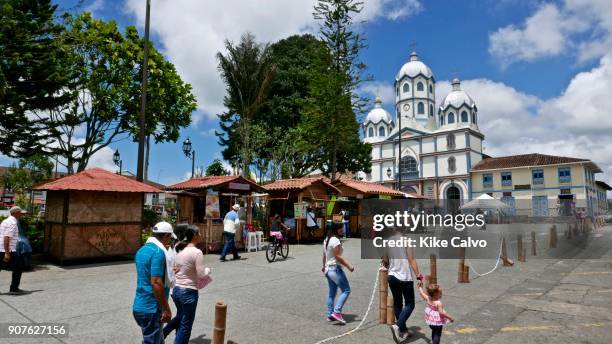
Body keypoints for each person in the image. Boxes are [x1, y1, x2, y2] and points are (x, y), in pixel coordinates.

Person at [163, 225, 210, 344]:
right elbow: (201, 274)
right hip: (188, 292)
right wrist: (208, 270)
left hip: (176, 290)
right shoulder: (197, 252)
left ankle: (162, 334)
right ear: (194, 236)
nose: (200, 235)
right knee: (186, 325)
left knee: (181, 316)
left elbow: (175, 269)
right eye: (199, 233)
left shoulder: (179, 250)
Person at [133, 221, 175, 344]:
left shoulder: (142, 250)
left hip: (140, 305)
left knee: (158, 340)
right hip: (151, 308)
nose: (170, 240)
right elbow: (156, 282)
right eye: (170, 237)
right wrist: (166, 309)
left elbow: (147, 275)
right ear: (166, 235)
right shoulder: (158, 252)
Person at [382, 227, 423, 341]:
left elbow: (385, 260)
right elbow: (412, 260)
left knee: (398, 304)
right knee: (410, 304)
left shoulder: (388, 241)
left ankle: (403, 331)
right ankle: (398, 325)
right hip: (404, 277)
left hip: (392, 276)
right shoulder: (406, 240)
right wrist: (419, 276)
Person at [322, 222, 354, 325]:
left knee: (332, 293)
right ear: (337, 229)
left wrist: (323, 266)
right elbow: (337, 256)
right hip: (335, 269)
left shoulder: (326, 239)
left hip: (328, 269)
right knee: (346, 290)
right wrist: (349, 266)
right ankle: (337, 312)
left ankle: (330, 314)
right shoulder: (335, 240)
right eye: (341, 228)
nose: (342, 229)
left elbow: (324, 255)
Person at [0, 206, 28, 294]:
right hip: (8, 250)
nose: (22, 215)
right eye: (21, 214)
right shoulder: (12, 223)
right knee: (18, 268)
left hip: (2, 248)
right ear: (16, 213)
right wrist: (7, 253)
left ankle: (14, 288)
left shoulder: (5, 221)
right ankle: (14, 289)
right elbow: (6, 238)